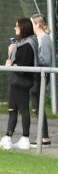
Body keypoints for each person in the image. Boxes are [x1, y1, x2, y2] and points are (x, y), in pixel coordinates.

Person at [0, 18, 38, 150]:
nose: (15, 29)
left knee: (24, 110)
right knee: (12, 109)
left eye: (17, 26)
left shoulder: (29, 44)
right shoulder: (21, 43)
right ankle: (8, 137)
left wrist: (11, 62)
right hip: (15, 81)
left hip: (23, 82)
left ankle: (25, 138)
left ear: (23, 28)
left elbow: (23, 66)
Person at [30, 13, 53, 146]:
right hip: (36, 75)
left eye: (32, 23)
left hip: (41, 75)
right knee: (36, 106)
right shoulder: (37, 37)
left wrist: (33, 57)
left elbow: (45, 59)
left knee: (38, 105)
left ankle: (44, 137)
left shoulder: (44, 38)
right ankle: (43, 136)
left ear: (38, 24)